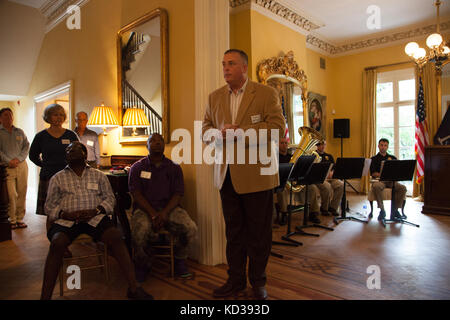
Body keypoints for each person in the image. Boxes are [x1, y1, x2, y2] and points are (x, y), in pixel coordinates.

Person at [202, 49, 285, 300]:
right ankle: (235, 280)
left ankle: (258, 282)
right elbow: (205, 130)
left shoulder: (266, 93)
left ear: (244, 68)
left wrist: (242, 132)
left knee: (259, 234)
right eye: (223, 64)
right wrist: (218, 134)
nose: (226, 68)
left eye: (231, 64)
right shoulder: (214, 97)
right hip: (226, 175)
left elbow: (276, 128)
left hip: (258, 175)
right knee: (233, 233)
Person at [41, 141, 153, 300]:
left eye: (75, 150)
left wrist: (97, 210)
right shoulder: (57, 178)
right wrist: (65, 214)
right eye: (68, 151)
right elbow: (49, 206)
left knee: (115, 236)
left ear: (85, 155)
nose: (71, 153)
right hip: (68, 221)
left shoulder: (98, 175)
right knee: (57, 242)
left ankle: (134, 288)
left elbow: (110, 199)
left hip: (94, 218)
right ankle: (45, 296)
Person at [128, 133, 197, 282]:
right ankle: (142, 265)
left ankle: (180, 261)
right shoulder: (137, 168)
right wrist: (153, 214)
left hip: (170, 209)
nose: (157, 142)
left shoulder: (174, 168)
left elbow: (178, 194)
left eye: (160, 140)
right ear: (146, 145)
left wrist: (164, 213)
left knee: (190, 227)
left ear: (164, 145)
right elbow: (137, 194)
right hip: (145, 209)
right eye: (152, 140)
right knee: (139, 231)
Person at [29, 104, 79, 219]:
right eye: (55, 115)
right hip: (48, 176)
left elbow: (78, 153)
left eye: (61, 115)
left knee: (68, 207)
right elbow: (32, 155)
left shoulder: (71, 135)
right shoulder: (41, 136)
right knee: (51, 212)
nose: (59, 117)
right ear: (48, 117)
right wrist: (45, 165)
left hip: (68, 176)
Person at [276, 137, 322, 224]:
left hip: (294, 180)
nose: (284, 145)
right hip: (283, 182)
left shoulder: (292, 157)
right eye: (282, 143)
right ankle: (284, 214)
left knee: (312, 187)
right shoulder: (275, 158)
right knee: (281, 191)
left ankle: (313, 213)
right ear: (277, 145)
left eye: (286, 143)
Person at [0, 108, 30, 229]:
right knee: (11, 194)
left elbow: (26, 146)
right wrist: (9, 161)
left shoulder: (20, 132)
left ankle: (19, 219)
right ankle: (11, 219)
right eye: (6, 115)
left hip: (21, 165)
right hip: (6, 167)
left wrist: (18, 159)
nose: (9, 118)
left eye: (10, 115)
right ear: (0, 118)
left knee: (22, 192)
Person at [370, 138, 407, 220]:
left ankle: (395, 210)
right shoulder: (373, 159)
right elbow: (373, 173)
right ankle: (382, 210)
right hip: (380, 181)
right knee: (376, 186)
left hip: (391, 181)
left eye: (385, 145)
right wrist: (383, 174)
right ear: (378, 146)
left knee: (402, 188)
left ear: (387, 147)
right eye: (381, 145)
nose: (383, 147)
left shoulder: (393, 158)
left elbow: (398, 170)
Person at [315, 140, 344, 217]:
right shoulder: (313, 155)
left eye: (324, 144)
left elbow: (334, 168)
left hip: (330, 178)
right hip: (319, 179)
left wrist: (332, 173)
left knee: (341, 185)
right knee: (327, 187)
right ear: (317, 145)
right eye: (321, 144)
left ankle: (333, 207)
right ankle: (324, 208)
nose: (323, 146)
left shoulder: (329, 156)